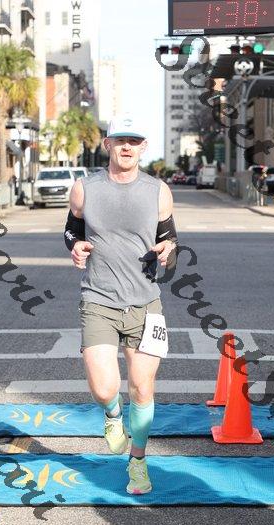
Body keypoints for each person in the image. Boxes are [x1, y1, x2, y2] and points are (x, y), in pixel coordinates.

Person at [64, 114, 179, 494]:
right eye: (120, 140)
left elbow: (171, 242)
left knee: (142, 388)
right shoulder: (84, 188)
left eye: (134, 140)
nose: (127, 146)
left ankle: (138, 462)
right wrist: (75, 246)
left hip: (146, 304)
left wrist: (168, 252)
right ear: (108, 145)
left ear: (143, 147)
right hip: (98, 299)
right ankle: (113, 414)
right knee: (103, 388)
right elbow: (71, 231)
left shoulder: (158, 191)